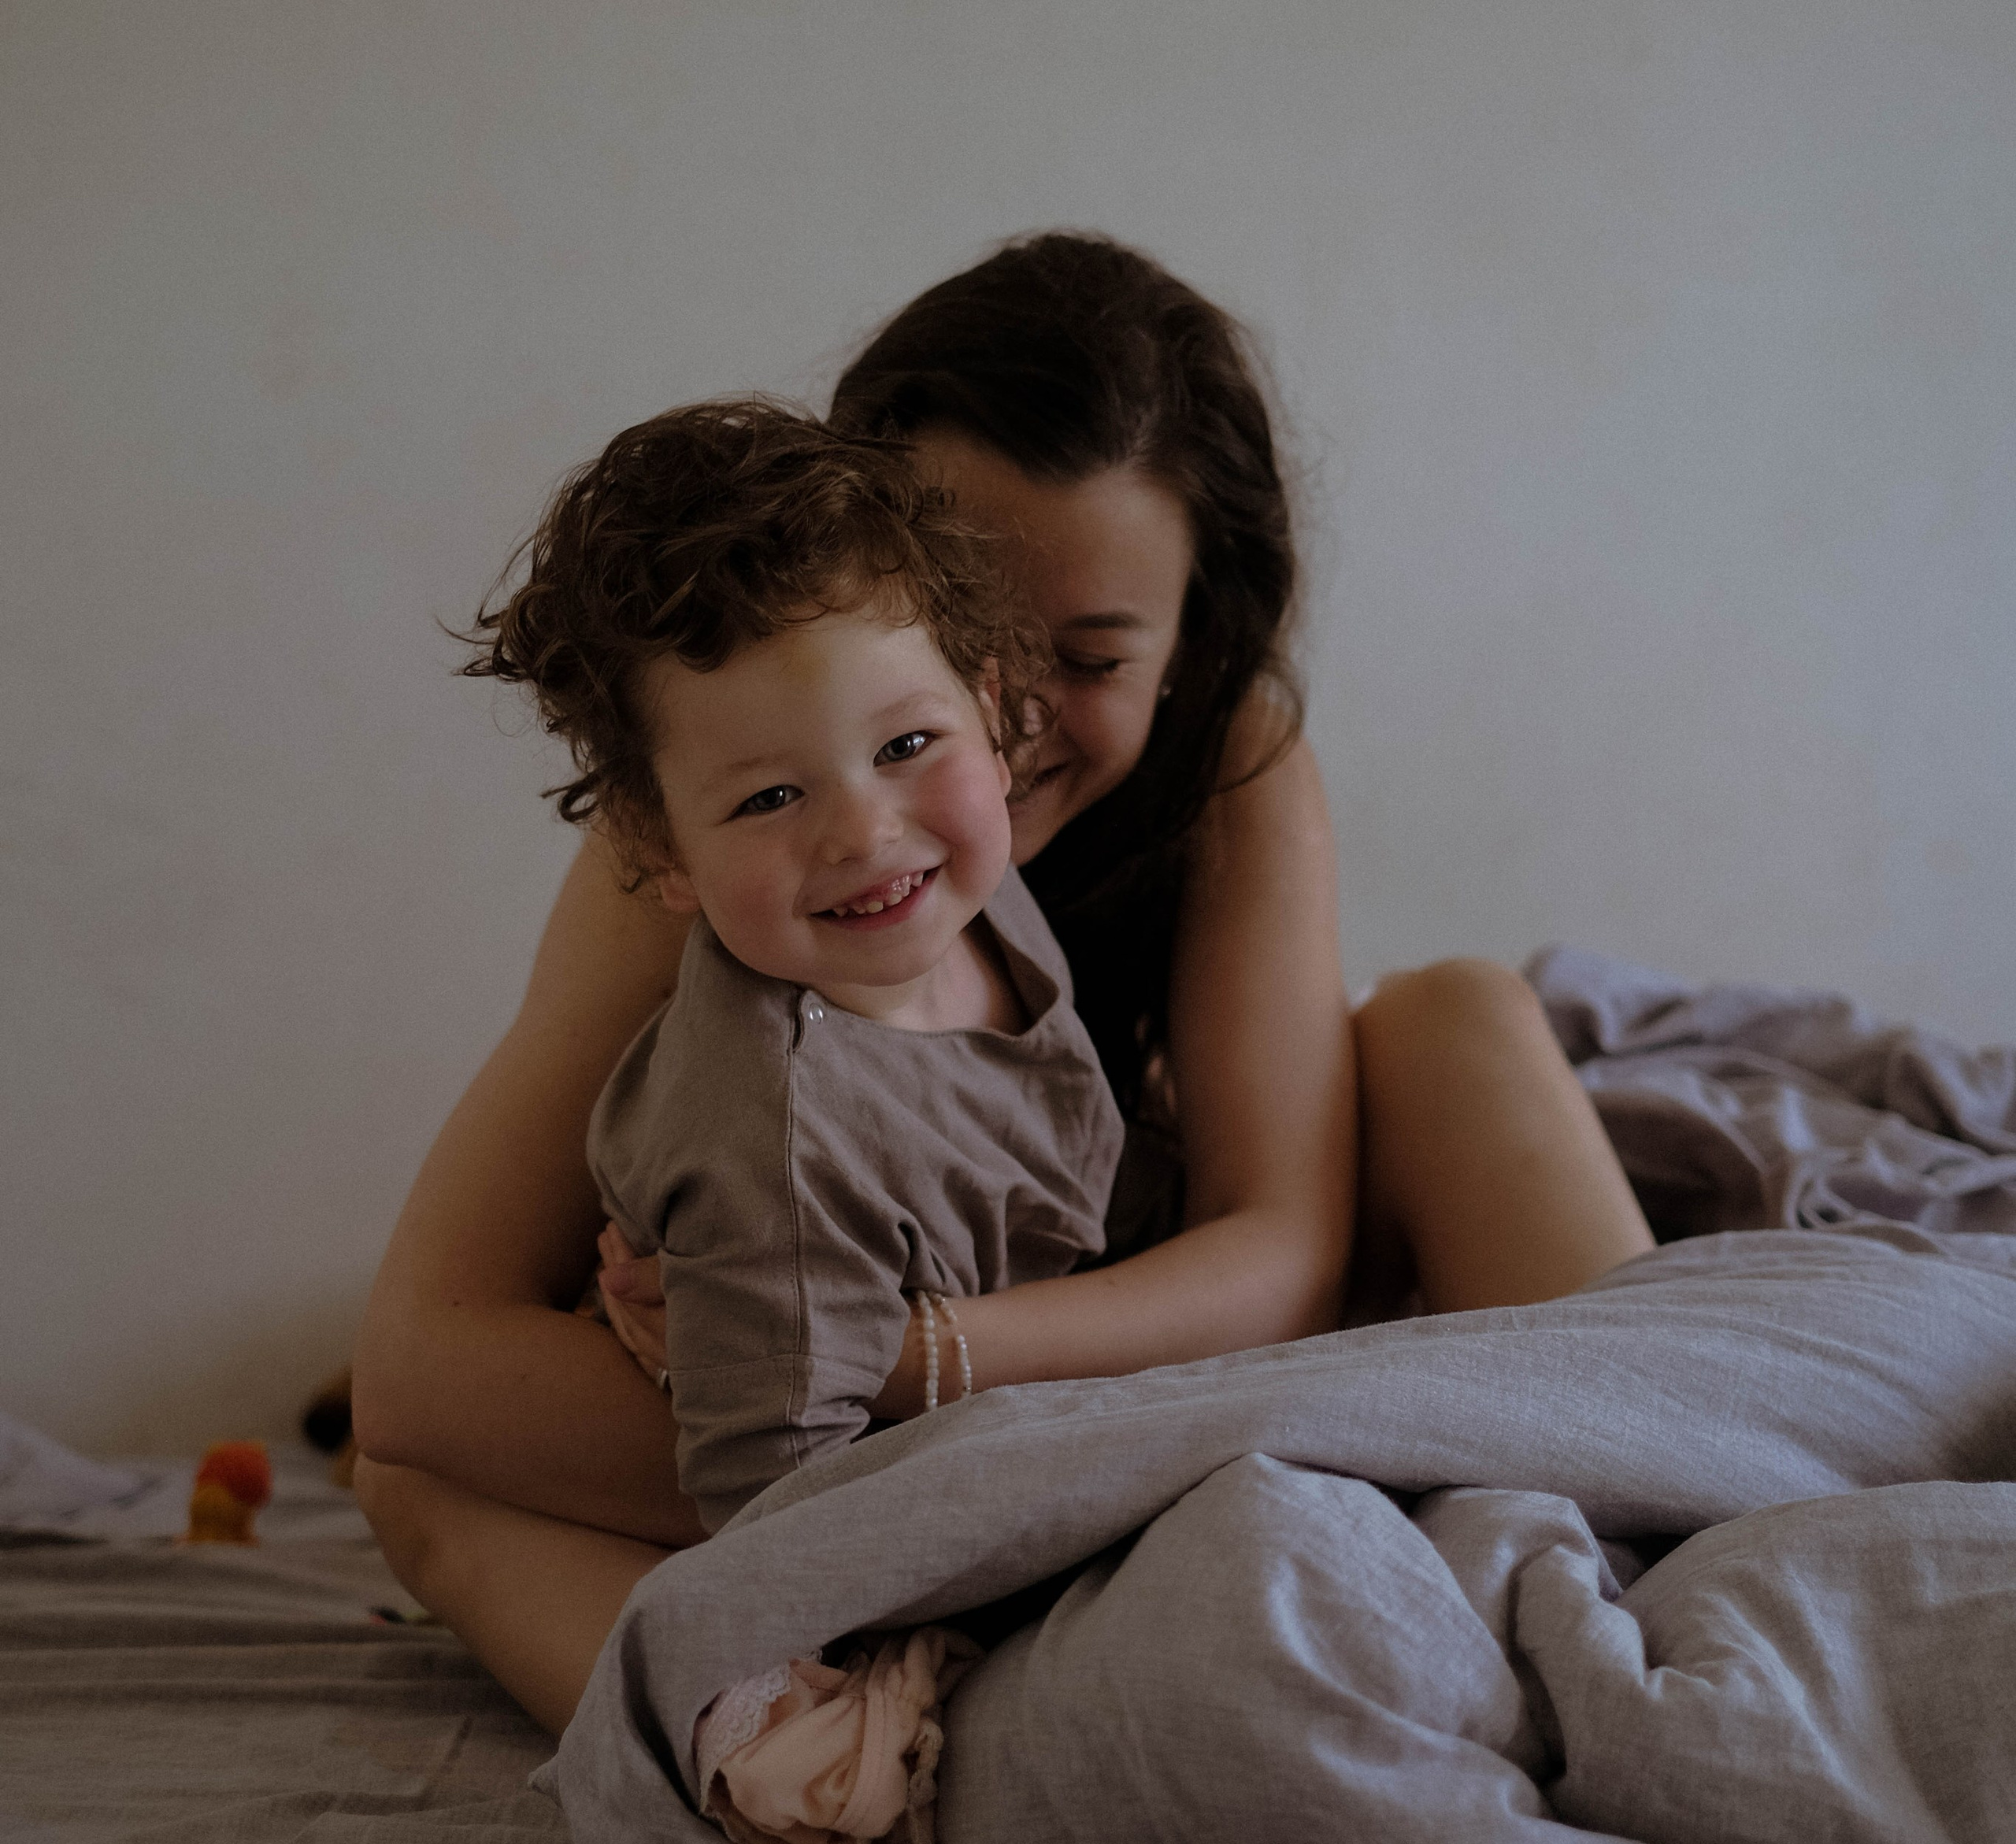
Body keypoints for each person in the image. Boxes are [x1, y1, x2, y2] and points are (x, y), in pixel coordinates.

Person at [355, 233, 1653, 1732]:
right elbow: (421, 1364)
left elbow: (1282, 1253)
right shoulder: (736, 844)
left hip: (1092, 1375)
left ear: (1192, 646)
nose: (1000, 707)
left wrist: (912, 1362)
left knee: (1459, 1016)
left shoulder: (1232, 769)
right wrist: (816, 1384)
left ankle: (1674, 1522)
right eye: (957, 627)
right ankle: (812, 1764)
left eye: (1091, 657)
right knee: (408, 1478)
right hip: (846, 1419)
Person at [499, 397, 1124, 1527]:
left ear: (987, 711)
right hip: (809, 1493)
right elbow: (773, 1505)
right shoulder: (772, 1144)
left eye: (906, 746)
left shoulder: (976, 902)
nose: (865, 834)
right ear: (659, 848)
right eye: (771, 797)